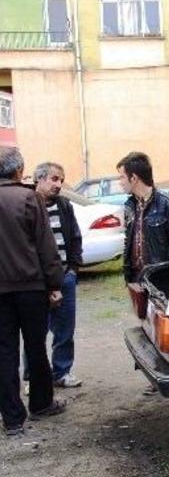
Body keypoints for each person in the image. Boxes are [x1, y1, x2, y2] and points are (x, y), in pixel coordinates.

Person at [0, 147, 67, 436]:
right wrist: (55, 284)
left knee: (4, 352)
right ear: (19, 170)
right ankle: (41, 403)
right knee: (35, 345)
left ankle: (12, 418)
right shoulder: (29, 197)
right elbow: (45, 246)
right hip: (30, 288)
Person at [24, 163, 83, 390]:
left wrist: (73, 269)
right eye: (54, 179)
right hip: (37, 282)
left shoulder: (65, 206)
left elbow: (75, 237)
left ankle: (62, 372)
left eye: (61, 180)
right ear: (39, 179)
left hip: (64, 277)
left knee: (65, 330)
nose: (59, 184)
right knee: (34, 333)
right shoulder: (27, 204)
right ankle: (34, 378)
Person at [116, 151, 169, 286]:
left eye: (122, 177)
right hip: (136, 278)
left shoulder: (168, 203)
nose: (120, 182)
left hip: (160, 277)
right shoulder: (130, 205)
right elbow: (129, 241)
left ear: (134, 178)